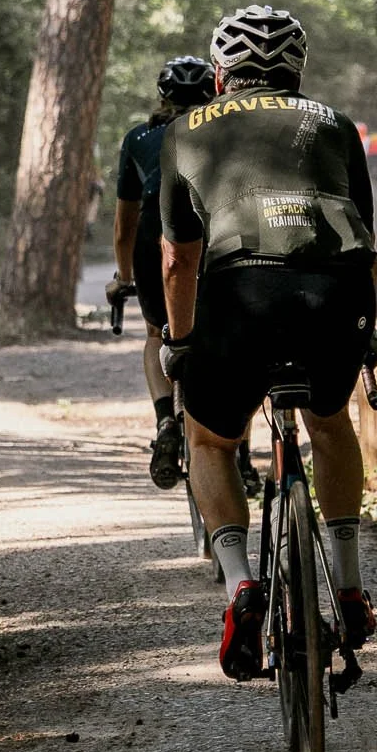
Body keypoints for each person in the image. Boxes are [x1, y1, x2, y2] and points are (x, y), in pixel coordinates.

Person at [160, 6, 377, 678]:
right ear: (296, 70)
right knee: (331, 422)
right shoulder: (336, 124)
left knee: (210, 441)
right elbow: (366, 246)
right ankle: (346, 582)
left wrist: (181, 340)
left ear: (222, 73)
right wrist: (366, 330)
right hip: (333, 292)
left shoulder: (183, 130)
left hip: (240, 295)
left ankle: (239, 585)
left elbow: (178, 259)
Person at [109, 56, 218, 489]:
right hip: (213, 232)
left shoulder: (139, 137)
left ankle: (164, 424)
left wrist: (123, 277)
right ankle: (241, 454)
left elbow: (123, 224)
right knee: (217, 333)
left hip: (155, 236)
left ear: (162, 95)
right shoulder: (221, 130)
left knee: (158, 334)